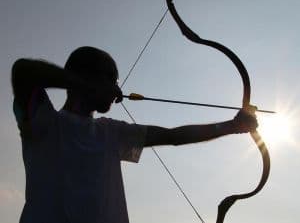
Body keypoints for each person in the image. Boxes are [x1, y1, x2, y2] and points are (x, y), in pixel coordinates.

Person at [11, 46, 258, 223]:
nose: (117, 88)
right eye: (110, 77)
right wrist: (83, 84)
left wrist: (232, 126)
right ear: (83, 75)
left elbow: (173, 136)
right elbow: (22, 71)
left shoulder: (112, 132)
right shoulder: (44, 123)